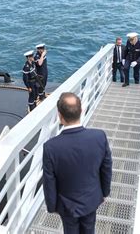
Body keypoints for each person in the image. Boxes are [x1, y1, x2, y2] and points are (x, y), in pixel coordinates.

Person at [43, 92, 112, 234]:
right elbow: (106, 168)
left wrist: (52, 206)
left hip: (66, 205)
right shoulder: (99, 137)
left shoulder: (51, 147)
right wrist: (104, 192)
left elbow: (49, 181)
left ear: (60, 116)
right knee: (89, 229)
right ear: (81, 111)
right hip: (91, 199)